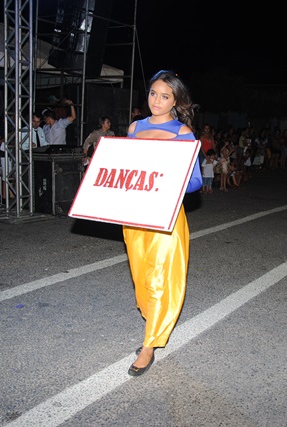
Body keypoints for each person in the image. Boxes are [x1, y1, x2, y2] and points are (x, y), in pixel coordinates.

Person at [124, 70, 201, 377]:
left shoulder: (183, 133)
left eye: (164, 96)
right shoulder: (135, 127)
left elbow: (195, 181)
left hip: (165, 217)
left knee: (160, 279)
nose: (156, 101)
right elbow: (124, 169)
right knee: (141, 278)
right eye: (153, 93)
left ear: (175, 101)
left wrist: (166, 181)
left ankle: (149, 344)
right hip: (134, 216)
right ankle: (152, 324)